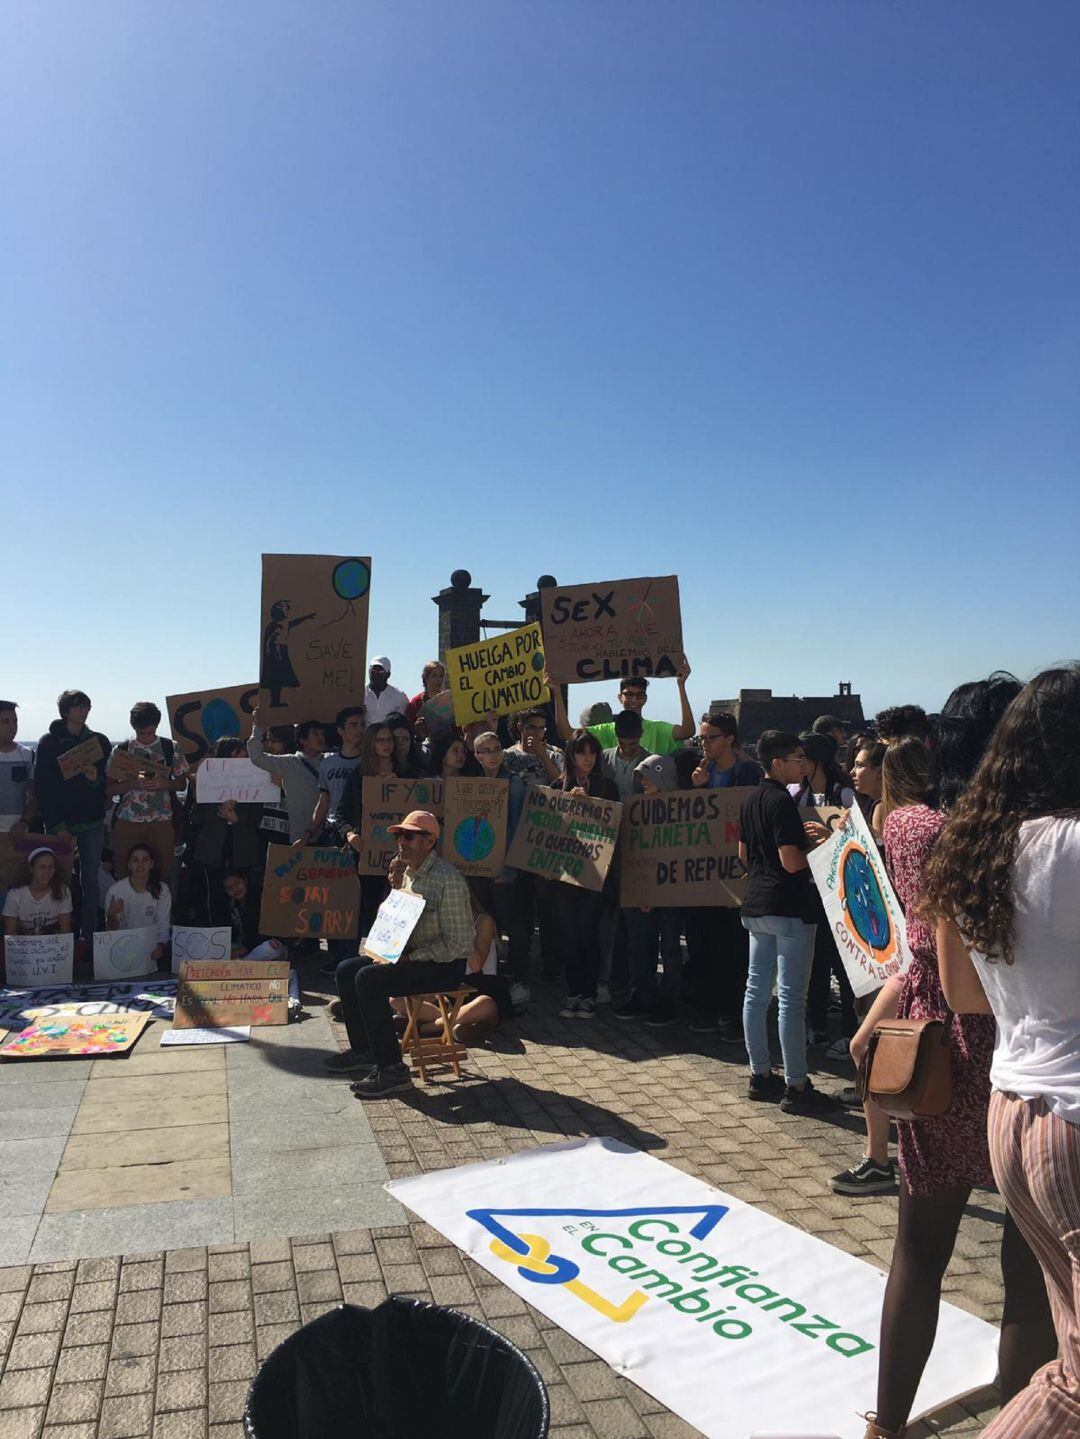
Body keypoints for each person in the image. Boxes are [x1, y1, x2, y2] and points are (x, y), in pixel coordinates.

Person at [847, 685, 1054, 1438]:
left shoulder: (911, 825)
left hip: (931, 1052)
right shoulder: (1015, 841)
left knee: (918, 1246)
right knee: (1025, 1268)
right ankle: (1020, 1416)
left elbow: (916, 949)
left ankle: (888, 1421)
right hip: (1007, 1052)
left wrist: (879, 1011)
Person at [925, 666, 1080, 1439]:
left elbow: (966, 992)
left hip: (1013, 1111)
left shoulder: (984, 847)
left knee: (1068, 1357)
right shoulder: (1072, 846)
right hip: (1073, 1118)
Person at [328, 810, 473, 1098]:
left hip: (444, 964)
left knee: (369, 979)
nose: (401, 841)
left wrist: (409, 958)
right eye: (398, 835)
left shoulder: (448, 880)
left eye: (409, 836)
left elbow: (459, 945)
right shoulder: (408, 873)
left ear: (430, 841)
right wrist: (385, 945)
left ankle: (392, 1069)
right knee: (347, 969)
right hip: (412, 954)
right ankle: (365, 1051)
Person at [739, 730, 837, 1114]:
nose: (803, 763)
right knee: (791, 1000)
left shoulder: (749, 800)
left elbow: (743, 854)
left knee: (755, 992)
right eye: (797, 758)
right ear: (776, 763)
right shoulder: (781, 801)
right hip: (789, 907)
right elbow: (792, 861)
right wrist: (823, 844)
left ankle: (759, 1073)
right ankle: (796, 1084)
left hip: (756, 905)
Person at [684, 712, 760, 1039]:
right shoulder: (703, 773)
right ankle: (711, 1008)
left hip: (737, 877)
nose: (705, 744)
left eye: (710, 737)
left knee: (735, 950)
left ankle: (733, 1015)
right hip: (706, 878)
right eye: (702, 738)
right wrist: (697, 789)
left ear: (729, 738)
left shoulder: (748, 773)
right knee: (705, 945)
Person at [789, 731, 857, 1048]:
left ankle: (849, 1031)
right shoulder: (799, 796)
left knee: (843, 966)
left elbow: (859, 844)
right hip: (811, 889)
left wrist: (830, 835)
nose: (798, 764)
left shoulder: (843, 795)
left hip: (840, 891)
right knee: (815, 963)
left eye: (803, 759)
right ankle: (816, 1026)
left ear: (817, 762)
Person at [35, 690, 111, 944]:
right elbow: (43, 788)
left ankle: (87, 939)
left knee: (91, 883)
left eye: (86, 706)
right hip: (61, 825)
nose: (83, 710)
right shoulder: (49, 742)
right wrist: (58, 826)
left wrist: (94, 779)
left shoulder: (100, 741)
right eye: (78, 706)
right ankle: (58, 940)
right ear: (65, 711)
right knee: (57, 882)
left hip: (92, 822)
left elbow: (104, 784)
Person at [555, 731, 620, 1019]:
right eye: (582, 753)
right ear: (571, 755)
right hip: (566, 876)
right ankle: (573, 993)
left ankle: (590, 993)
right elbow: (547, 830)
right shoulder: (558, 786)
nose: (588, 759)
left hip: (595, 876)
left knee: (588, 933)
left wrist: (590, 802)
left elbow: (614, 828)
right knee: (568, 935)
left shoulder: (608, 787)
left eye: (593, 752)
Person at [615, 755, 684, 1026]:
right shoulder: (635, 809)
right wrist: (643, 890)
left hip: (672, 894)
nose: (643, 782)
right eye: (640, 777)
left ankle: (669, 1002)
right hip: (641, 893)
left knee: (669, 948)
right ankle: (644, 996)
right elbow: (632, 853)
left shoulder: (683, 809)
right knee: (639, 946)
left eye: (648, 776)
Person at [469, 731, 530, 1005]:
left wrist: (508, 869)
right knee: (485, 924)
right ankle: (488, 979)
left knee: (514, 926)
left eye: (497, 749)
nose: (493, 755)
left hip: (504, 869)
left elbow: (518, 827)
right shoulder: (473, 785)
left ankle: (519, 980)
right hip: (479, 868)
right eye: (487, 751)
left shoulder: (514, 784)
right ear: (477, 756)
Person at [182, 737, 263, 926]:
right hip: (212, 853)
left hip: (242, 851)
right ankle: (217, 942)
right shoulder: (207, 780)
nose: (241, 764)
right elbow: (194, 815)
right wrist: (220, 811)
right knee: (214, 899)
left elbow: (257, 816)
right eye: (236, 759)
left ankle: (247, 940)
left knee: (245, 899)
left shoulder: (254, 780)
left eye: (244, 759)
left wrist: (237, 819)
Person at [108, 701, 188, 883]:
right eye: (140, 733)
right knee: (124, 873)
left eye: (149, 733)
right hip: (128, 821)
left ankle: (162, 910)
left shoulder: (171, 747)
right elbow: (109, 789)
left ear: (157, 726)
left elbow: (182, 784)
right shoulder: (122, 750)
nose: (144, 738)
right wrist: (132, 783)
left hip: (162, 821)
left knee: (162, 874)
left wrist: (165, 783)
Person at [552, 664, 696, 756]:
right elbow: (566, 733)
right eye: (628, 694)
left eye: (639, 695)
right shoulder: (607, 730)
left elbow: (688, 731)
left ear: (645, 699)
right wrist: (557, 691)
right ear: (620, 697)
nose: (634, 700)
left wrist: (681, 685)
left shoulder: (657, 729)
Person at [248, 708, 326, 843]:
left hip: (326, 836)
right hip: (300, 838)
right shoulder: (289, 762)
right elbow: (256, 756)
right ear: (303, 740)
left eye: (322, 734)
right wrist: (258, 727)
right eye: (315, 734)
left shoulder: (330, 762)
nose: (321, 738)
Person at [298, 706, 366, 848]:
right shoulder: (328, 764)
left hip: (360, 831)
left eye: (362, 725)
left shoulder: (369, 762)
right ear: (341, 731)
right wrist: (308, 834)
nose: (359, 729)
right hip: (333, 831)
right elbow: (323, 802)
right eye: (353, 725)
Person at [104, 842, 171, 966]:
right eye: (135, 860)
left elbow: (164, 925)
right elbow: (111, 931)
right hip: (123, 950)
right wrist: (111, 915)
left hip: (152, 948)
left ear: (151, 864)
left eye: (145, 860)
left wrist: (160, 946)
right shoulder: (115, 891)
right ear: (129, 865)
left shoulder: (163, 890)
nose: (140, 865)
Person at [3, 847, 72, 935]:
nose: (47, 872)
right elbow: (10, 932)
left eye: (51, 867)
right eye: (42, 867)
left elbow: (65, 930)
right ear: (31, 869)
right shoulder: (15, 895)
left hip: (53, 942)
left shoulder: (63, 891)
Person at [261, 599, 315, 708]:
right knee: (276, 680)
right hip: (276, 653)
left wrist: (307, 617)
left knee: (280, 679)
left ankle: (276, 701)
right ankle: (275, 702)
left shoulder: (284, 624)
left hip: (281, 650)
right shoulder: (274, 626)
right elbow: (268, 641)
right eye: (285, 610)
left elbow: (294, 623)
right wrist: (271, 653)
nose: (287, 612)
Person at [221, 869, 287, 959]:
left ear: (245, 881)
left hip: (270, 944)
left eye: (237, 883)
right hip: (249, 948)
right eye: (230, 888)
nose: (235, 890)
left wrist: (244, 949)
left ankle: (241, 966)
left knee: (269, 948)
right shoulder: (233, 906)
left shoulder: (261, 897)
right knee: (223, 949)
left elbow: (269, 931)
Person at [503, 708, 565, 785]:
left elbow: (562, 784)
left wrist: (543, 756)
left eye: (541, 728)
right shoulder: (508, 756)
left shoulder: (555, 756)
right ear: (520, 728)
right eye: (532, 727)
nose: (538, 733)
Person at [0, 701, 35, 833]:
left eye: (15, 721)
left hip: (18, 834)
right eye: (5, 722)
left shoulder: (28, 754)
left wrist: (24, 823)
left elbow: (34, 796)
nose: (12, 727)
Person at [601, 711, 651, 800]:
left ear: (641, 734)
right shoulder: (603, 758)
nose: (627, 749)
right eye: (622, 743)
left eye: (632, 744)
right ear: (615, 735)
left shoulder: (651, 762)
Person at [851, 738, 887, 837]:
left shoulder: (883, 808)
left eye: (859, 765)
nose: (852, 772)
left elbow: (878, 850)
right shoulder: (870, 803)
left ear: (879, 772)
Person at [364, 656, 410, 725]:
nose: (376, 674)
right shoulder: (360, 693)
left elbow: (401, 723)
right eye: (373, 670)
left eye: (381, 671)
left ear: (388, 674)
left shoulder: (399, 696)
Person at [405, 660, 448, 732]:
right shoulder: (416, 702)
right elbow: (407, 727)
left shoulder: (448, 699)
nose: (438, 679)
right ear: (426, 678)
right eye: (434, 675)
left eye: (441, 676)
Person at [386, 713, 425, 778]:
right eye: (396, 739)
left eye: (406, 739)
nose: (401, 743)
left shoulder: (419, 771)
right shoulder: (379, 770)